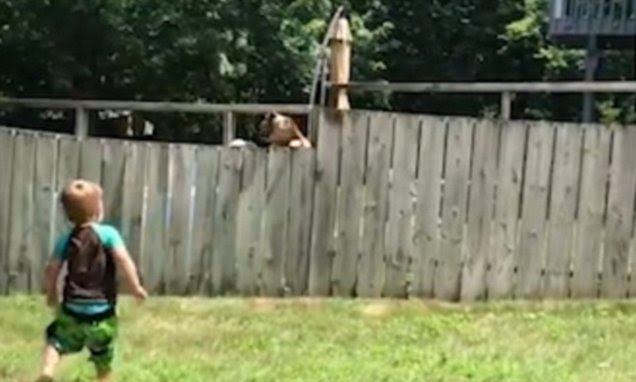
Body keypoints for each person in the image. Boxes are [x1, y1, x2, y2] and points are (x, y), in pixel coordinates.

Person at [37, 179, 148, 382]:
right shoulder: (108, 234)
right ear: (98, 209)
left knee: (56, 340)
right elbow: (124, 260)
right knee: (103, 356)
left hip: (72, 311)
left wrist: (52, 293)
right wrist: (136, 287)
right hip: (102, 314)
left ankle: (47, 371)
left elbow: (52, 268)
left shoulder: (67, 238)